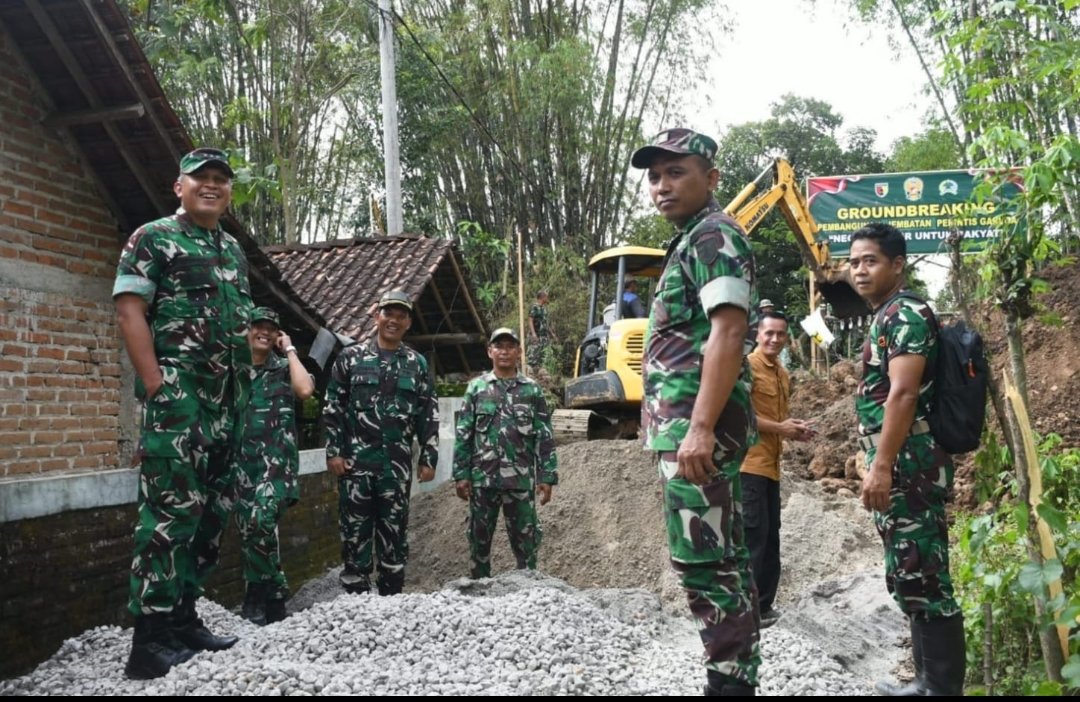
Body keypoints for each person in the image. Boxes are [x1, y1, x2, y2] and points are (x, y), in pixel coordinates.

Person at [113, 147, 253, 679]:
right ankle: (149, 641)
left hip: (226, 404)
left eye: (221, 179)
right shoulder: (153, 238)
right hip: (179, 404)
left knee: (210, 513)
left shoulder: (233, 251)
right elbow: (130, 309)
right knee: (169, 514)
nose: (212, 186)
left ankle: (184, 619)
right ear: (180, 186)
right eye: (201, 178)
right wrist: (156, 383)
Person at [634, 128, 762, 696]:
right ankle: (733, 683)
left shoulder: (714, 236)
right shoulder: (692, 239)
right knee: (720, 562)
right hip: (687, 428)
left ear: (711, 178)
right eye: (654, 177)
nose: (662, 186)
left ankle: (728, 686)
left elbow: (729, 331)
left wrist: (700, 428)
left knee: (706, 567)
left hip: (696, 431)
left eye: (676, 172)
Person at [848, 222, 965, 696]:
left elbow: (903, 393)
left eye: (870, 260)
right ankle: (924, 682)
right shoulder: (887, 314)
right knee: (909, 571)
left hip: (908, 462)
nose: (859, 270)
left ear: (897, 264)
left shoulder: (906, 314)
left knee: (924, 572)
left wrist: (881, 465)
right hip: (899, 458)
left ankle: (940, 688)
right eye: (853, 261)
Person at [323, 290, 438, 597]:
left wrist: (429, 456)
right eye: (388, 313)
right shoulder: (350, 359)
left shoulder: (417, 363)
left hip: (395, 467)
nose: (394, 320)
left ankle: (392, 599)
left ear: (408, 322)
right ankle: (357, 601)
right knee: (355, 534)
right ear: (376, 316)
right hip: (356, 466)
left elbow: (428, 412)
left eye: (401, 315)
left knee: (394, 535)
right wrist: (334, 451)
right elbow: (333, 406)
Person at [452, 327, 558, 579]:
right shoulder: (476, 388)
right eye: (499, 346)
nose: (505, 351)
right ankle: (479, 591)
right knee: (478, 541)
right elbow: (464, 433)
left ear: (519, 352)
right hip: (482, 480)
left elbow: (544, 435)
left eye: (511, 346)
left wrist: (547, 476)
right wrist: (461, 474)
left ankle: (529, 594)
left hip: (520, 481)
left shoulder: (531, 391)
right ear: (490, 352)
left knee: (527, 542)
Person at [233, 307, 315, 625]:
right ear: (247, 330)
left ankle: (260, 593)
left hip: (276, 465)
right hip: (241, 466)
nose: (264, 332)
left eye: (271, 328)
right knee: (250, 532)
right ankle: (273, 597)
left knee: (259, 520)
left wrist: (291, 349)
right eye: (258, 327)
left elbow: (306, 390)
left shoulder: (282, 368)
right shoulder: (233, 370)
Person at [739, 312, 813, 629]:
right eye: (769, 333)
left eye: (780, 334)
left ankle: (764, 606)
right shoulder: (746, 367)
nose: (774, 339)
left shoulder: (782, 373)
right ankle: (745, 613)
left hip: (771, 467)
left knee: (771, 539)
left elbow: (777, 421)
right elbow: (741, 416)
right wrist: (782, 428)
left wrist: (794, 429)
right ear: (757, 333)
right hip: (749, 466)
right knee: (753, 538)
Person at [527, 290, 554, 370]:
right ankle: (530, 371)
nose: (547, 298)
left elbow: (545, 322)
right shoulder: (534, 307)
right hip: (536, 335)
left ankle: (540, 373)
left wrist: (551, 333)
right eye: (546, 297)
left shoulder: (544, 309)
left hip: (544, 336)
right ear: (543, 297)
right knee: (533, 355)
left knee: (543, 356)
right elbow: (530, 320)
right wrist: (533, 333)